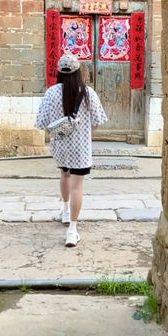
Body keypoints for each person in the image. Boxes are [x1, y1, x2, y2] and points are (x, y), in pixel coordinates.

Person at [35, 54, 107, 247]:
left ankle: (65, 210)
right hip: (81, 147)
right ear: (78, 72)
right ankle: (72, 230)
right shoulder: (87, 92)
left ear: (59, 72)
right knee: (77, 185)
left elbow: (41, 122)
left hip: (60, 145)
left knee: (64, 175)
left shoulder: (51, 93)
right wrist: (84, 134)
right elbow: (98, 121)